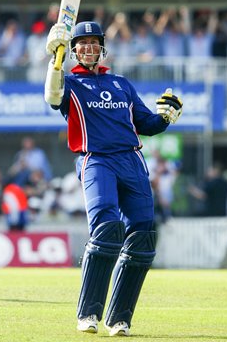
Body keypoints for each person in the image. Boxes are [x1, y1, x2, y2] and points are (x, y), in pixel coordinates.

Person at [44, 20, 183, 336]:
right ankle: (88, 314)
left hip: (132, 161)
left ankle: (119, 318)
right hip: (97, 160)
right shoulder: (70, 83)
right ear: (75, 50)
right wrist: (53, 59)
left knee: (144, 237)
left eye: (94, 43)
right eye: (83, 44)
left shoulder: (121, 84)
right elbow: (52, 96)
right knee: (107, 228)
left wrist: (164, 117)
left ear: (102, 47)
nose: (90, 49)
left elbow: (145, 122)